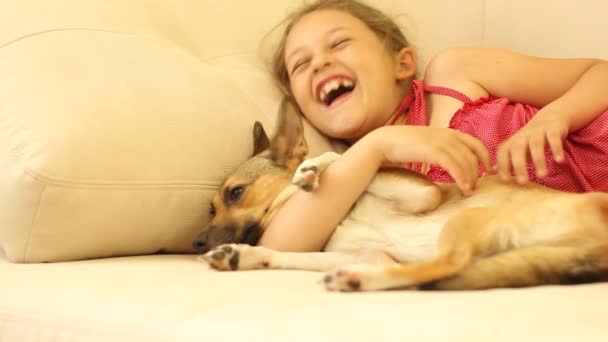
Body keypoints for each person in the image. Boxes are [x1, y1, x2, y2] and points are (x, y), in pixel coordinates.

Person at [257, 0, 608, 252]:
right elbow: (279, 247)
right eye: (300, 65)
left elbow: (601, 74)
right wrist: (377, 145)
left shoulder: (453, 75)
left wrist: (555, 115)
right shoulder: (356, 178)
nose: (320, 62)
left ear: (403, 63)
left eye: (339, 43)